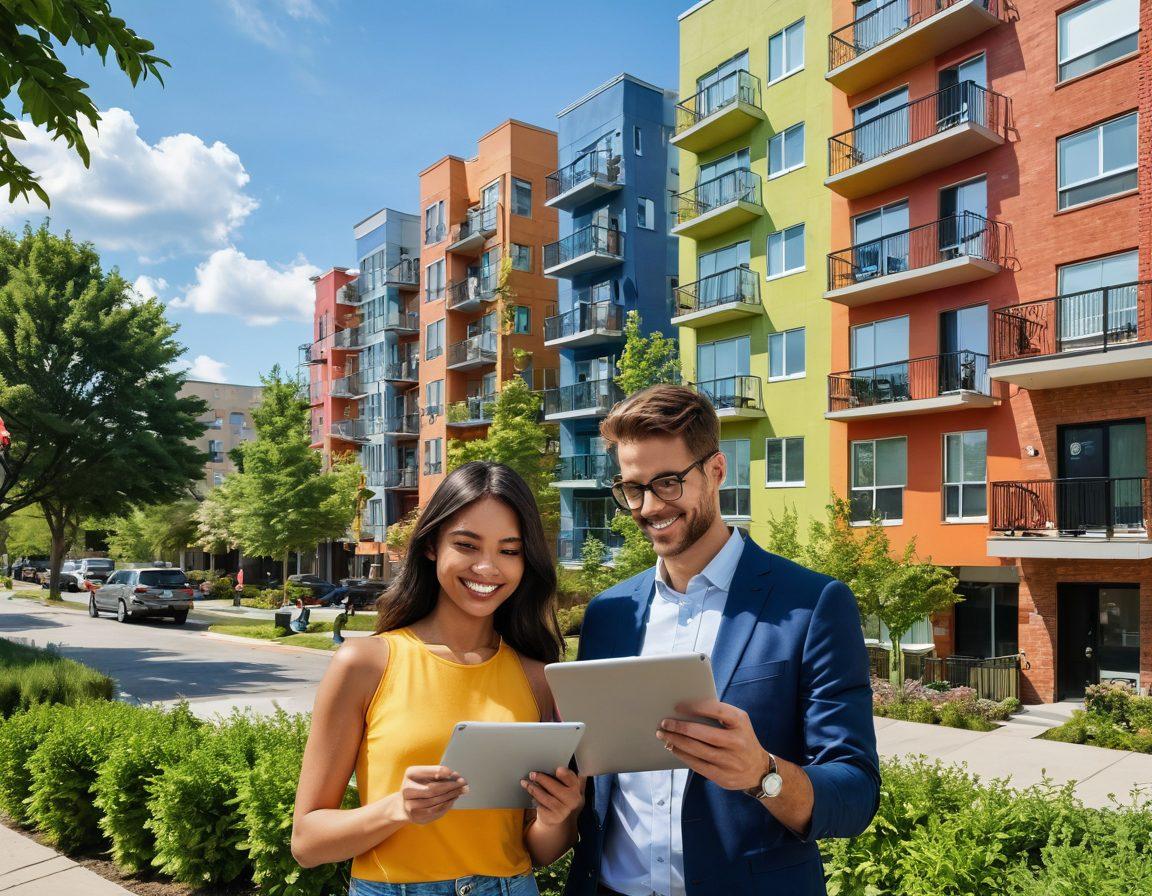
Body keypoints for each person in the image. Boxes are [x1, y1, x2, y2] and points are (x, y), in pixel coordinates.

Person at [566, 385, 880, 896]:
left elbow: (856, 792)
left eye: (668, 483)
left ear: (716, 471)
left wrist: (762, 774)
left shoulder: (812, 604)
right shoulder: (608, 614)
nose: (649, 506)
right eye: (632, 488)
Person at [292, 461, 585, 896]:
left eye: (509, 551)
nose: (487, 567)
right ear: (431, 545)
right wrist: (397, 808)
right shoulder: (365, 663)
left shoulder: (537, 677)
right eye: (467, 545)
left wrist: (558, 817)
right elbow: (307, 843)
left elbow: (538, 851)